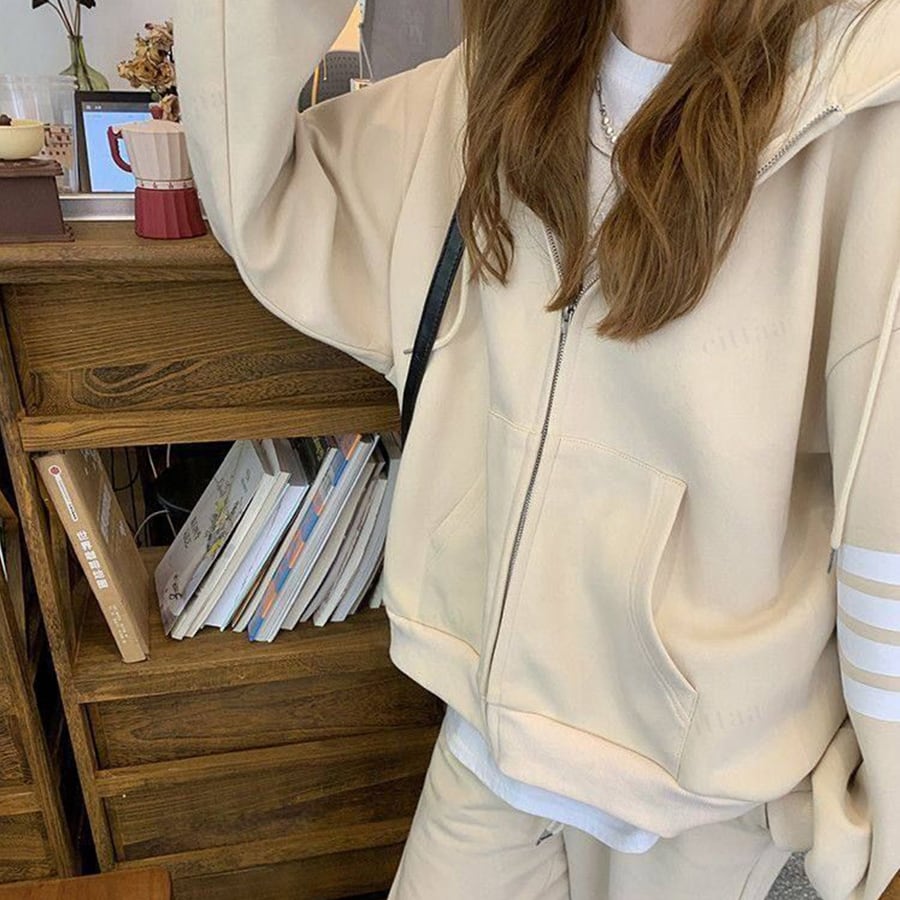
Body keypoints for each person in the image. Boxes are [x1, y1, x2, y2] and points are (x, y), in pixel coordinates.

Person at [175, 0, 900, 897]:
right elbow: (263, 196)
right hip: (486, 751)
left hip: (706, 806)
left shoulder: (862, 95)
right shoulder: (493, 73)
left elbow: (886, 523)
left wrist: (876, 836)